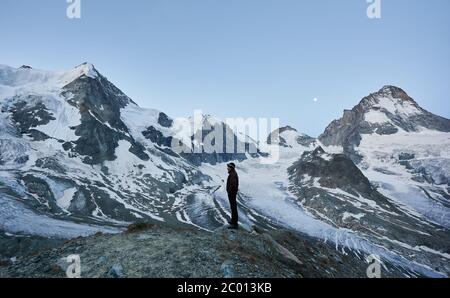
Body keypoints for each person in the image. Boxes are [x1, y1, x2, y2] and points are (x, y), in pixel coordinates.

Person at [226, 162, 239, 229]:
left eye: (228, 167)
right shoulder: (232, 173)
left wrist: (230, 191)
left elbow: (233, 185)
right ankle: (233, 221)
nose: (227, 168)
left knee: (233, 207)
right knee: (233, 207)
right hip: (232, 193)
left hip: (232, 193)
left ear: (231, 168)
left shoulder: (233, 174)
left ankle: (234, 223)